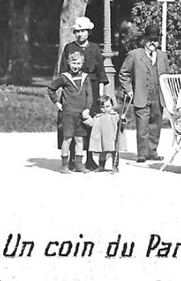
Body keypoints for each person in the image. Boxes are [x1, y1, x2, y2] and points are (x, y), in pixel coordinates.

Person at [59, 16, 104, 169]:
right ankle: (71, 159)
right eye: (77, 31)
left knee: (90, 123)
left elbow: (101, 72)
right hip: (74, 89)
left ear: (88, 32)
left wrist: (100, 94)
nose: (80, 34)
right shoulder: (69, 48)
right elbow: (63, 71)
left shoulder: (95, 48)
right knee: (72, 124)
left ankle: (90, 159)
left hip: (92, 88)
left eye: (83, 31)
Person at [119, 24, 168, 163]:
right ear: (144, 40)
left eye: (155, 40)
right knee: (142, 125)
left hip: (158, 96)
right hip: (141, 95)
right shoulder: (134, 55)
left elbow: (167, 75)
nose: (153, 43)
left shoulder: (163, 56)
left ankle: (153, 151)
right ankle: (142, 153)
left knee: (156, 124)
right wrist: (129, 90)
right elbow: (123, 74)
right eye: (150, 40)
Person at [48, 48, 94, 173]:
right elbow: (51, 88)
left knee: (80, 139)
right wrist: (57, 102)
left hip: (81, 113)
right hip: (68, 113)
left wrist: (87, 109)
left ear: (82, 64)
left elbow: (89, 95)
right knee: (67, 139)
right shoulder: (65, 77)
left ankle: (79, 164)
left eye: (78, 63)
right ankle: (64, 165)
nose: (76, 66)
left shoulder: (85, 77)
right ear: (69, 63)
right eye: (73, 63)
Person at [84, 92, 126, 173]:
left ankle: (115, 166)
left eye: (107, 106)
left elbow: (121, 124)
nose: (105, 109)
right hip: (102, 139)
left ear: (112, 105)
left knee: (114, 152)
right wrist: (87, 119)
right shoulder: (98, 117)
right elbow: (92, 123)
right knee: (102, 153)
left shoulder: (115, 115)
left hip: (113, 138)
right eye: (102, 107)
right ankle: (101, 166)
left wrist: (123, 119)